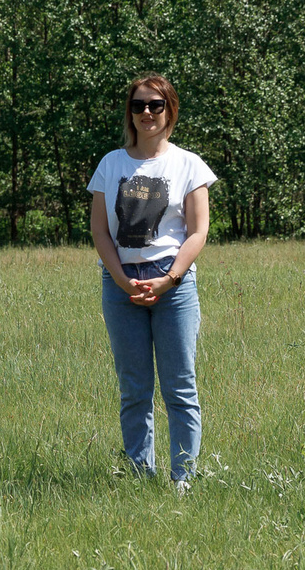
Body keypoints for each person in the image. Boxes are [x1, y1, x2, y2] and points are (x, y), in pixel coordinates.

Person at [87, 73, 216, 489]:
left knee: (180, 387)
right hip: (121, 285)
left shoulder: (188, 164)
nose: (146, 112)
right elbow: (100, 233)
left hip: (173, 286)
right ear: (130, 112)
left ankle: (183, 480)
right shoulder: (111, 164)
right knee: (135, 390)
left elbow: (198, 231)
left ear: (169, 110)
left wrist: (170, 279)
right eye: (139, 105)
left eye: (155, 105)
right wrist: (123, 281)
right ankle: (141, 478)